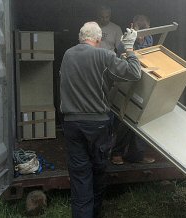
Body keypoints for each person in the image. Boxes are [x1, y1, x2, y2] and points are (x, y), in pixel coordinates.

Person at [60, 22, 141, 218]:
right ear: (98, 39)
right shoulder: (104, 55)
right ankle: (95, 213)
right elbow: (134, 73)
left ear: (81, 38)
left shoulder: (67, 55)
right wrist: (129, 49)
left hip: (71, 124)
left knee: (80, 177)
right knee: (97, 172)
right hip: (97, 124)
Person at [111, 15, 155, 165]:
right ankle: (116, 153)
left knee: (140, 120)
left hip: (144, 83)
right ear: (132, 25)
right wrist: (133, 42)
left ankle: (136, 155)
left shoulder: (150, 39)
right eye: (140, 29)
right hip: (127, 84)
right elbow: (121, 52)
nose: (143, 34)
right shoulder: (126, 40)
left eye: (145, 29)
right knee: (124, 121)